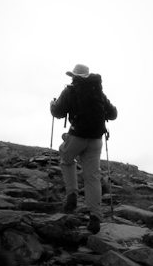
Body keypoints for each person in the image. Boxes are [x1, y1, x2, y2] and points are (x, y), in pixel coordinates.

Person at [50, 63, 117, 234]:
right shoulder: (98, 92)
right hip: (96, 139)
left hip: (77, 135)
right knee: (93, 176)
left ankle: (72, 194)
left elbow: (57, 112)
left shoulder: (70, 90)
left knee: (66, 159)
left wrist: (52, 104)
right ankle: (95, 217)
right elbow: (113, 114)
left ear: (74, 76)